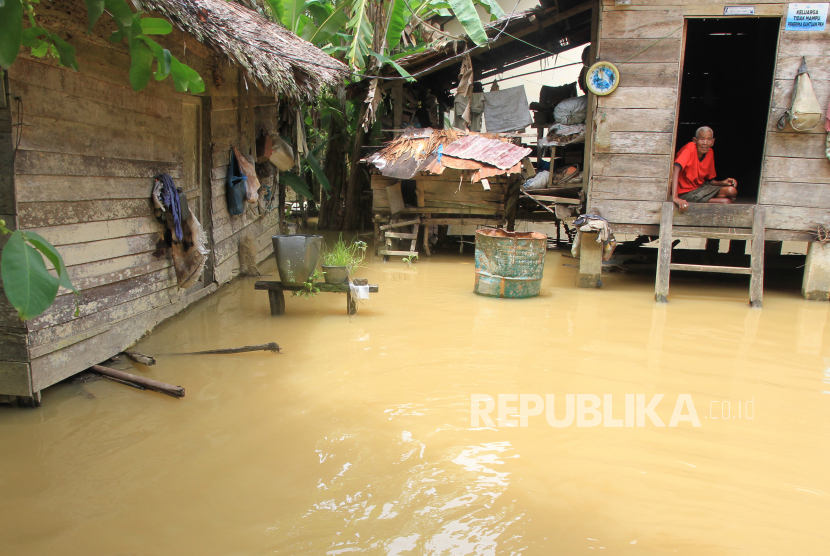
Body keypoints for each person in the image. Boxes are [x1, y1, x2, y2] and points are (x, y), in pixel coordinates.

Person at [672, 126, 738, 212]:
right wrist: (675, 198)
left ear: (712, 142)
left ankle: (705, 199)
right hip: (686, 192)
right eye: (702, 139)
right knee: (726, 202)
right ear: (695, 140)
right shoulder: (690, 148)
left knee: (731, 191)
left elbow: (710, 180)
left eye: (709, 140)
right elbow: (675, 168)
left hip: (701, 188)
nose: (705, 143)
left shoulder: (710, 152)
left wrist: (722, 182)